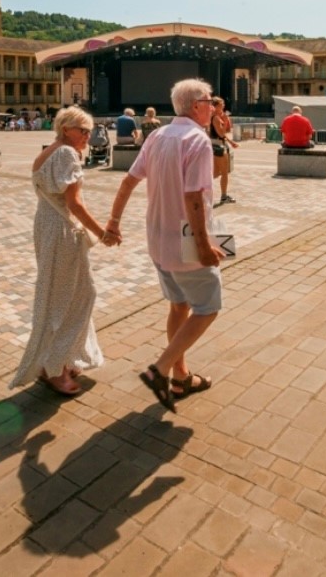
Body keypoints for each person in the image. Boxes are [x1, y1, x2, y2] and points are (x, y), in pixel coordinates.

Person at [103, 78, 222, 412]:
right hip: (186, 240)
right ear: (196, 104)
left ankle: (181, 376)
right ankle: (161, 368)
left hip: (157, 238)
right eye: (210, 101)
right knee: (208, 307)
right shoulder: (197, 140)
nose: (213, 106)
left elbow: (128, 181)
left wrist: (113, 221)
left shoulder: (157, 135)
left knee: (178, 305)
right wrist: (203, 245)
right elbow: (194, 197)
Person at [10, 106, 110, 397]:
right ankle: (56, 368)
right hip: (64, 230)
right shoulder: (66, 153)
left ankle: (58, 361)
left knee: (62, 293)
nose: (88, 137)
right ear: (66, 128)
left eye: (90, 131)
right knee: (75, 296)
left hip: (46, 225)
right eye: (83, 130)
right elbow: (75, 203)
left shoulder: (47, 151)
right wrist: (102, 232)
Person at [209, 97, 239, 205]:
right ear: (216, 106)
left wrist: (231, 142)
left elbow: (224, 133)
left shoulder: (211, 117)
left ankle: (204, 193)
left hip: (214, 144)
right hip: (218, 146)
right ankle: (223, 196)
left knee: (215, 172)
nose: (223, 106)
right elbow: (221, 133)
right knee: (224, 172)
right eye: (221, 104)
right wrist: (225, 121)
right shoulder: (216, 118)